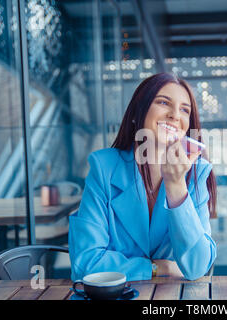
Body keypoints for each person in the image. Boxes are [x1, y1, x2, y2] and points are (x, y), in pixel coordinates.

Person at [69, 72, 217, 282]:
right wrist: (158, 268)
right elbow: (86, 264)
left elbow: (197, 266)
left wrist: (176, 186)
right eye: (164, 103)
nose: (175, 115)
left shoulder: (196, 173)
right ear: (137, 113)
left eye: (185, 110)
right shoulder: (104, 168)